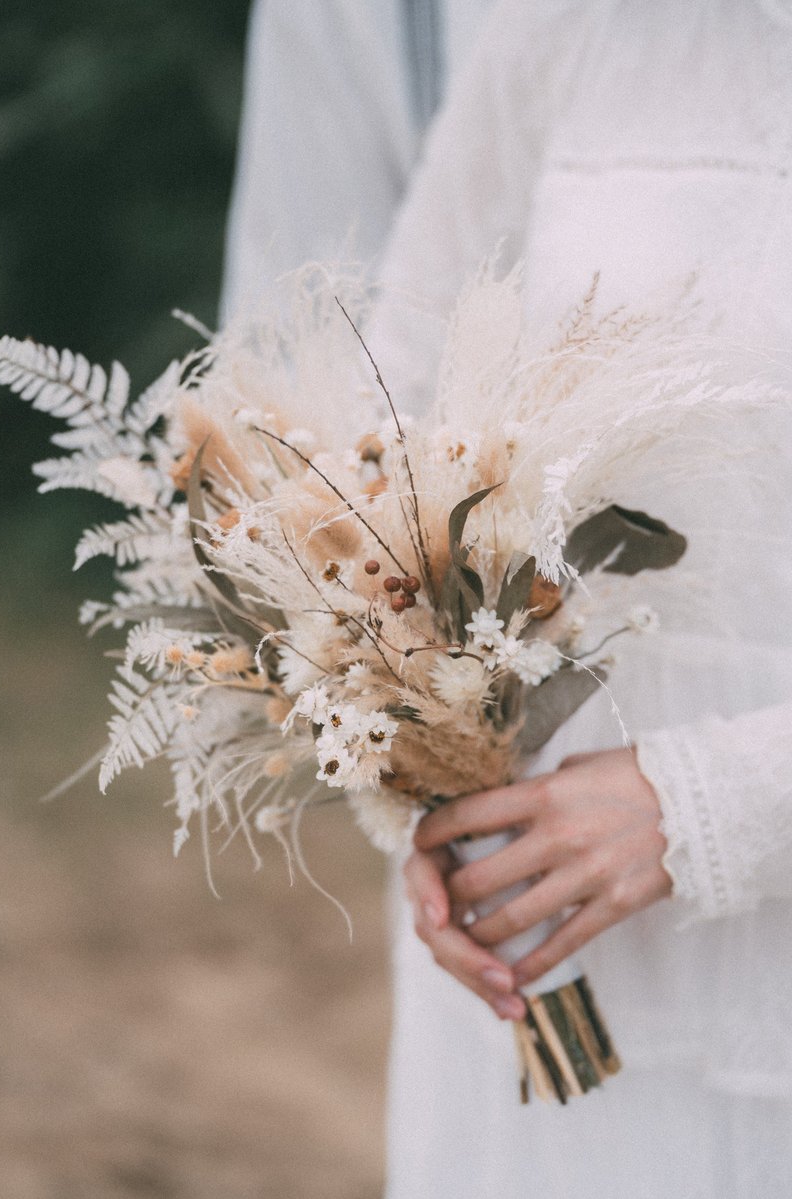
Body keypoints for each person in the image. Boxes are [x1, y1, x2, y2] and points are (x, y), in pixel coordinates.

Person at [222, 2, 792, 1195]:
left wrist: (709, 804)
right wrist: (417, 775)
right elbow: (381, 429)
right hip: (560, 960)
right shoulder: (561, 34)